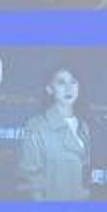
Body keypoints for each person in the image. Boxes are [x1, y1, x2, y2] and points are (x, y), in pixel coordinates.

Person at [17, 66, 89, 200]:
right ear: (49, 89)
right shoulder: (37, 126)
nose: (69, 88)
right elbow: (32, 180)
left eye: (73, 82)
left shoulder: (85, 126)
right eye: (61, 83)